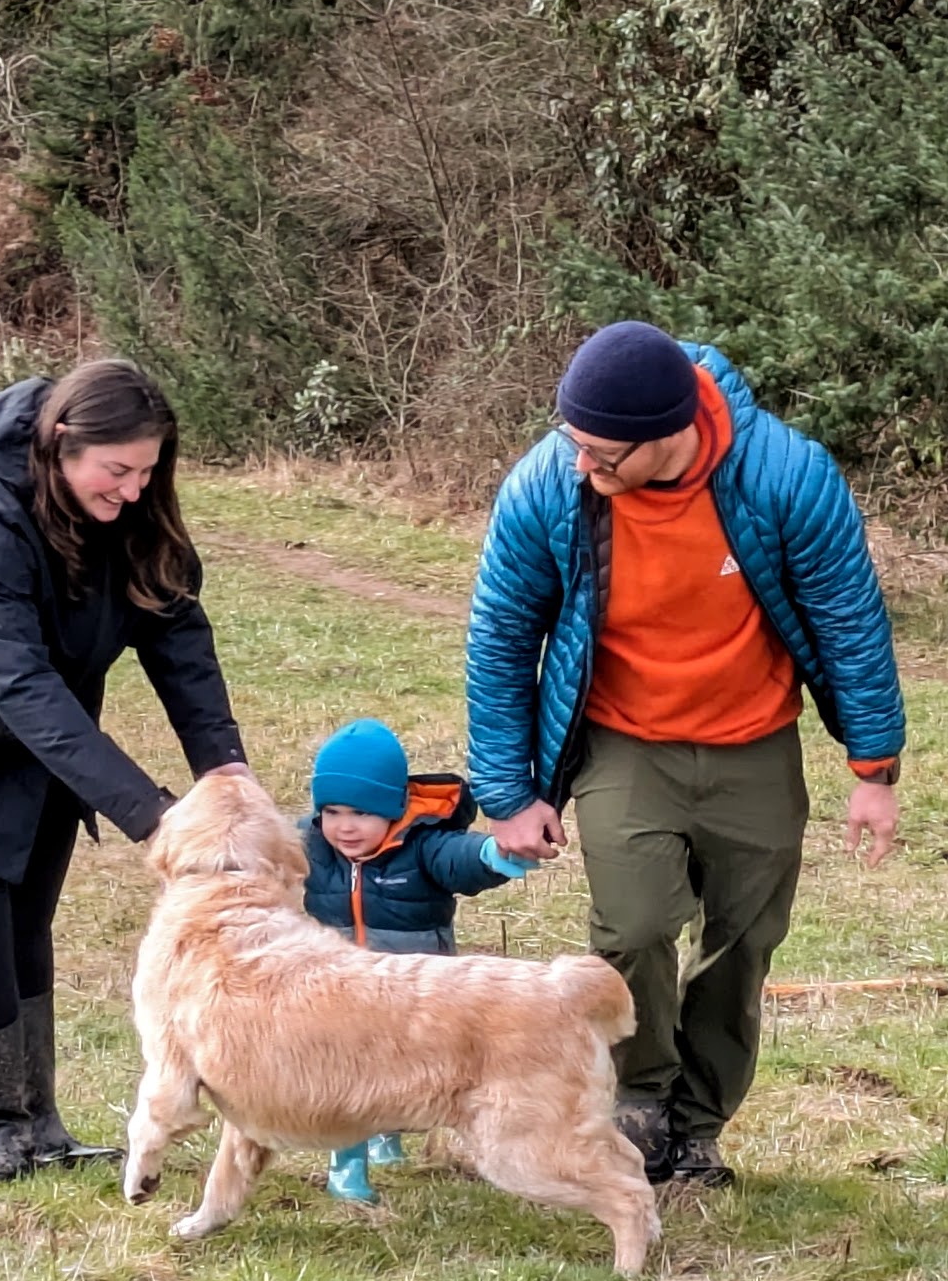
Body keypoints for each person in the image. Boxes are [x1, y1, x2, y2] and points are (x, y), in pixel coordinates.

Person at [465, 320, 905, 1187]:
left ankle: (698, 1127)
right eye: (572, 443)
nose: (582, 464)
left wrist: (874, 767)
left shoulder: (785, 476)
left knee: (743, 943)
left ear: (667, 434)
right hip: (626, 742)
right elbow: (502, 636)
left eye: (601, 452)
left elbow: (851, 624)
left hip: (754, 743)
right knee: (632, 928)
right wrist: (508, 791)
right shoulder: (551, 485)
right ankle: (641, 1095)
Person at [0, 359, 251, 1180]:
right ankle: (2, 1132)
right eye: (118, 470)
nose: (135, 491)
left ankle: (45, 1126)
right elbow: (18, 683)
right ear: (62, 443)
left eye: (149, 470)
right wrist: (154, 814)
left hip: (45, 741)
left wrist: (225, 774)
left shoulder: (126, 509)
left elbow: (178, 637)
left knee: (29, 928)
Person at [297, 716, 533, 1203]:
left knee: (402, 1073)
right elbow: (262, 852)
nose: (344, 826)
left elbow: (460, 859)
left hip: (413, 997)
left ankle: (388, 1131)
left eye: (361, 812)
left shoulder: (422, 845)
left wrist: (494, 853)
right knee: (345, 1078)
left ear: (394, 808)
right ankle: (347, 1164)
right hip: (335, 996)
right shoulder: (311, 847)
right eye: (333, 811)